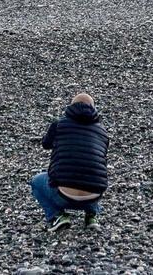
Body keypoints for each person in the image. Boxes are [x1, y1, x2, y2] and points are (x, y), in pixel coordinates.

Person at [30, 92, 109, 232]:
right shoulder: (102, 132)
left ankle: (57, 216)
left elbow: (45, 144)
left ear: (71, 106)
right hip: (93, 197)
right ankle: (92, 215)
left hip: (63, 196)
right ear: (93, 108)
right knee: (93, 173)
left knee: (36, 181)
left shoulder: (59, 124)